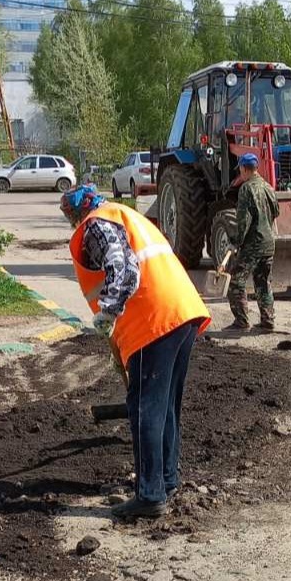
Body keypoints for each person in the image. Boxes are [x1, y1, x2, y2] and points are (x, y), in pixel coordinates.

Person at [61, 184, 211, 518]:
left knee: (145, 408)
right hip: (182, 312)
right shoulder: (126, 216)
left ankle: (149, 495)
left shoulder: (96, 225)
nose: (71, 223)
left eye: (69, 216)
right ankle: (167, 481)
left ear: (77, 212)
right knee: (165, 405)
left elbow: (124, 267)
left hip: (152, 321)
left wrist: (109, 312)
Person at [225, 153, 280, 331]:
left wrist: (236, 241)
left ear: (244, 168)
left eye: (240, 169)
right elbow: (276, 212)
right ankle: (268, 320)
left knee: (236, 281)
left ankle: (241, 321)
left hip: (253, 244)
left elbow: (243, 221)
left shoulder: (246, 189)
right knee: (263, 281)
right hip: (268, 243)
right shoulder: (268, 187)